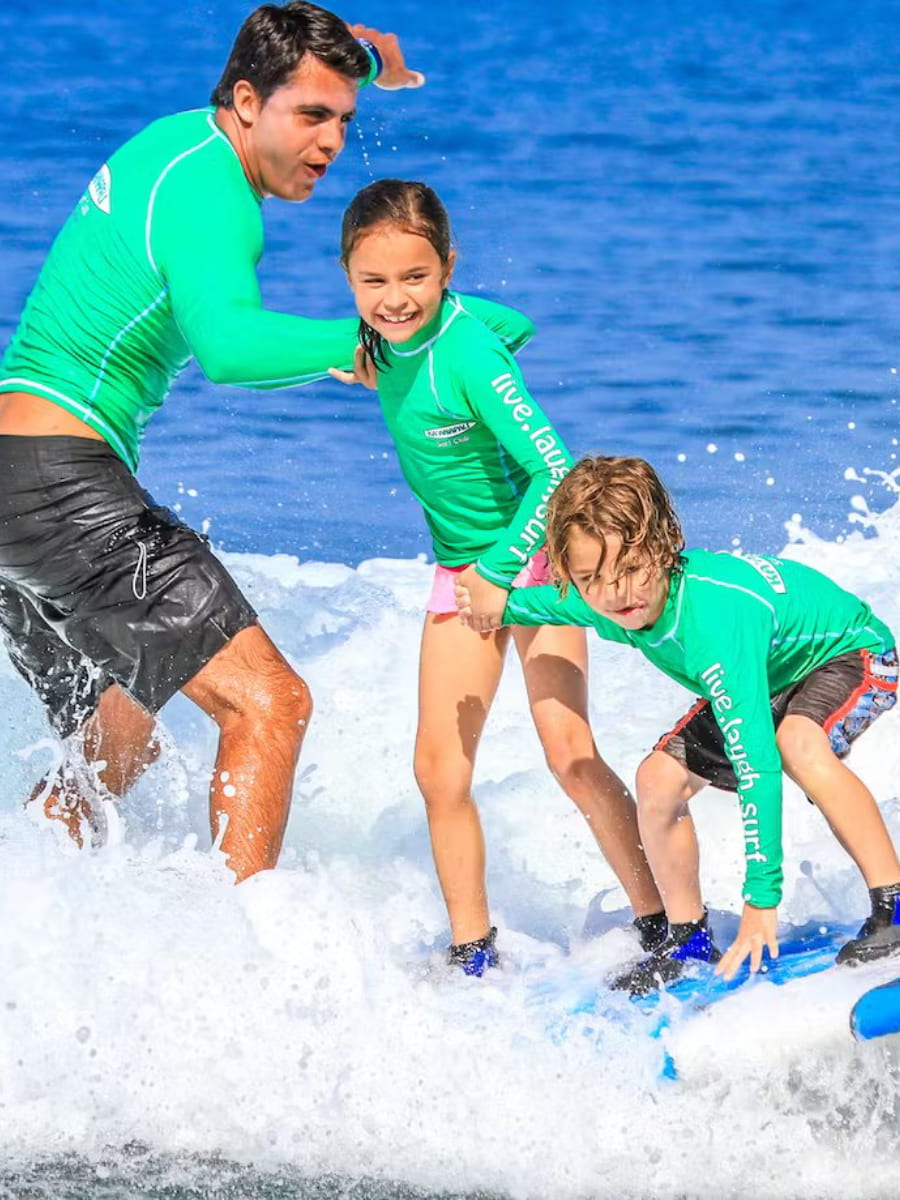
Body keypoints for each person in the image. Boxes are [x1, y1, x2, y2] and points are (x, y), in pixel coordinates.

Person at [0, 2, 439, 880]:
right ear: (246, 101)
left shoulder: (179, 143)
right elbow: (231, 348)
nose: (330, 143)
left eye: (345, 120)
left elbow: (295, 38)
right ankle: (245, 976)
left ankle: (27, 921)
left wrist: (369, 59)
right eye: (310, 115)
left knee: (117, 738)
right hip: (57, 477)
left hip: (17, 490)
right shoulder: (213, 193)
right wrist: (365, 342)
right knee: (270, 704)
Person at [329, 180, 665, 974]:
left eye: (417, 278)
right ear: (347, 275)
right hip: (459, 572)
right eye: (373, 282)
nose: (395, 298)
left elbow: (556, 467)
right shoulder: (390, 341)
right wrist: (389, 353)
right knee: (437, 768)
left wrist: (500, 568)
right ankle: (473, 951)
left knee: (569, 754)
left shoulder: (468, 353)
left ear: (448, 265)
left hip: (535, 563)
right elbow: (520, 322)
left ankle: (664, 925)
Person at [457, 455, 900, 992]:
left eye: (631, 570)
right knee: (656, 781)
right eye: (592, 578)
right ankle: (688, 941)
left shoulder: (712, 621)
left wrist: (762, 900)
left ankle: (892, 908)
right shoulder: (608, 604)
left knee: (796, 745)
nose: (617, 593)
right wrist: (498, 603)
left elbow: (756, 767)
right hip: (765, 671)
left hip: (849, 654)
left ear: (665, 547)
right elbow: (555, 607)